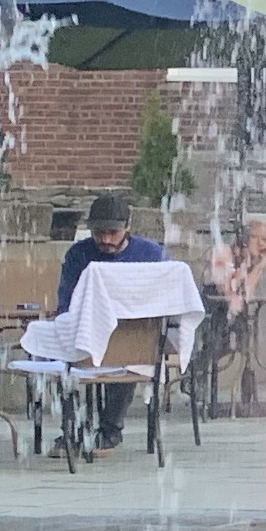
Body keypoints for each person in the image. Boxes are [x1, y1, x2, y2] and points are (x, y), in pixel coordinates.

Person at [49, 192, 171, 453]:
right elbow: (66, 301)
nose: (105, 240)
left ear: (127, 227)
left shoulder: (151, 255)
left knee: (126, 354)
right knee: (57, 356)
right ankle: (72, 429)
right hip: (86, 332)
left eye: (112, 233)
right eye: (99, 233)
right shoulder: (78, 254)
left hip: (133, 335)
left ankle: (110, 430)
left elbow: (165, 299)